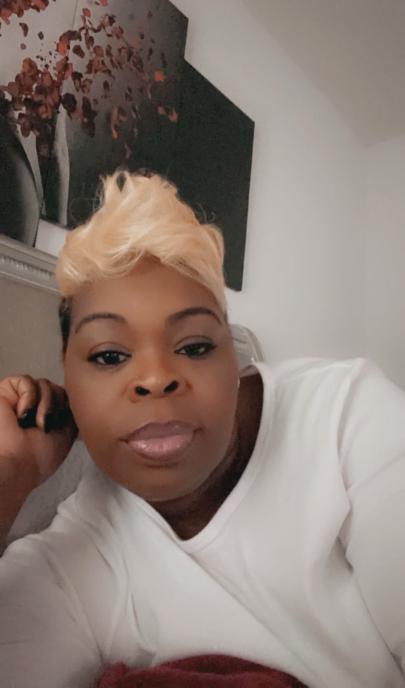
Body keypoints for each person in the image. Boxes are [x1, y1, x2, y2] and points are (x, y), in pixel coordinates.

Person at [0, 171, 404, 688]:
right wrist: (9, 471)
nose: (155, 378)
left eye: (194, 346)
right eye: (109, 355)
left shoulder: (344, 415)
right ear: (68, 378)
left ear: (232, 358)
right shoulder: (69, 561)